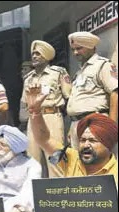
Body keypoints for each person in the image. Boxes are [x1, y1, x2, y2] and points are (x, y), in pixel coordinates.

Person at [3, 86, 119, 212]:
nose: (86, 145)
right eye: (83, 140)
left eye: (93, 141)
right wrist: (35, 113)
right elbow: (44, 139)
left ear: (108, 144)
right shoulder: (71, 157)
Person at [21, 40, 72, 178]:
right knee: (32, 160)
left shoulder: (58, 73)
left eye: (38, 53)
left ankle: (57, 196)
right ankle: (33, 196)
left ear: (47, 56)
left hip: (52, 117)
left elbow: (69, 97)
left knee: (55, 159)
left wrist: (72, 124)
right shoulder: (28, 78)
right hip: (33, 120)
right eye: (33, 54)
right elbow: (25, 103)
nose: (34, 56)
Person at [66, 32, 118, 150]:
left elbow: (115, 93)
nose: (75, 52)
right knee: (79, 165)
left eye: (79, 48)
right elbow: (77, 100)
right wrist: (72, 128)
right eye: (73, 49)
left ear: (91, 47)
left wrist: (111, 126)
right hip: (77, 124)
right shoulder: (79, 72)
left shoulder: (103, 65)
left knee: (97, 164)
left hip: (94, 123)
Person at [19, 61, 34, 134]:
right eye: (22, 69)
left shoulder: (33, 82)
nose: (22, 72)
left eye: (25, 69)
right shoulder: (25, 83)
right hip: (25, 124)